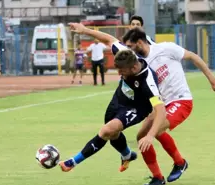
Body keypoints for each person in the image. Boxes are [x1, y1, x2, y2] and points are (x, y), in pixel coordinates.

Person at [67, 23, 215, 185]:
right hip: (161, 103)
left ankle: (180, 163)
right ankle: (158, 178)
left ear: (139, 43)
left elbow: (193, 56)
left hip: (180, 100)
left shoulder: (166, 49)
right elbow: (110, 40)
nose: (126, 48)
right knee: (141, 137)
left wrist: (212, 80)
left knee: (153, 132)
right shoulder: (135, 59)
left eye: (129, 45)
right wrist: (85, 30)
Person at [59, 47, 167, 177]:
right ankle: (127, 155)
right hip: (117, 101)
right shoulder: (128, 56)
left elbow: (160, 109)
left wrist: (150, 135)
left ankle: (72, 162)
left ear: (133, 68)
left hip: (136, 108)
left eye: (122, 71)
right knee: (113, 134)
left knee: (106, 131)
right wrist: (85, 30)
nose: (119, 74)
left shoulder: (148, 82)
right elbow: (111, 41)